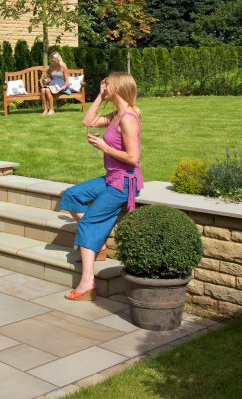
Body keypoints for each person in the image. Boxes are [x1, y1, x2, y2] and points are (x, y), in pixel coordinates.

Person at [59, 72, 144, 300]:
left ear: (118, 88)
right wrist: (98, 96)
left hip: (125, 183)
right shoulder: (117, 114)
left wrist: (104, 147)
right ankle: (99, 244)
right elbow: (88, 122)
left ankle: (88, 283)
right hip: (111, 177)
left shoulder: (127, 118)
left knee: (87, 223)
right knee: (71, 196)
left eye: (108, 85)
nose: (105, 88)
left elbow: (133, 158)